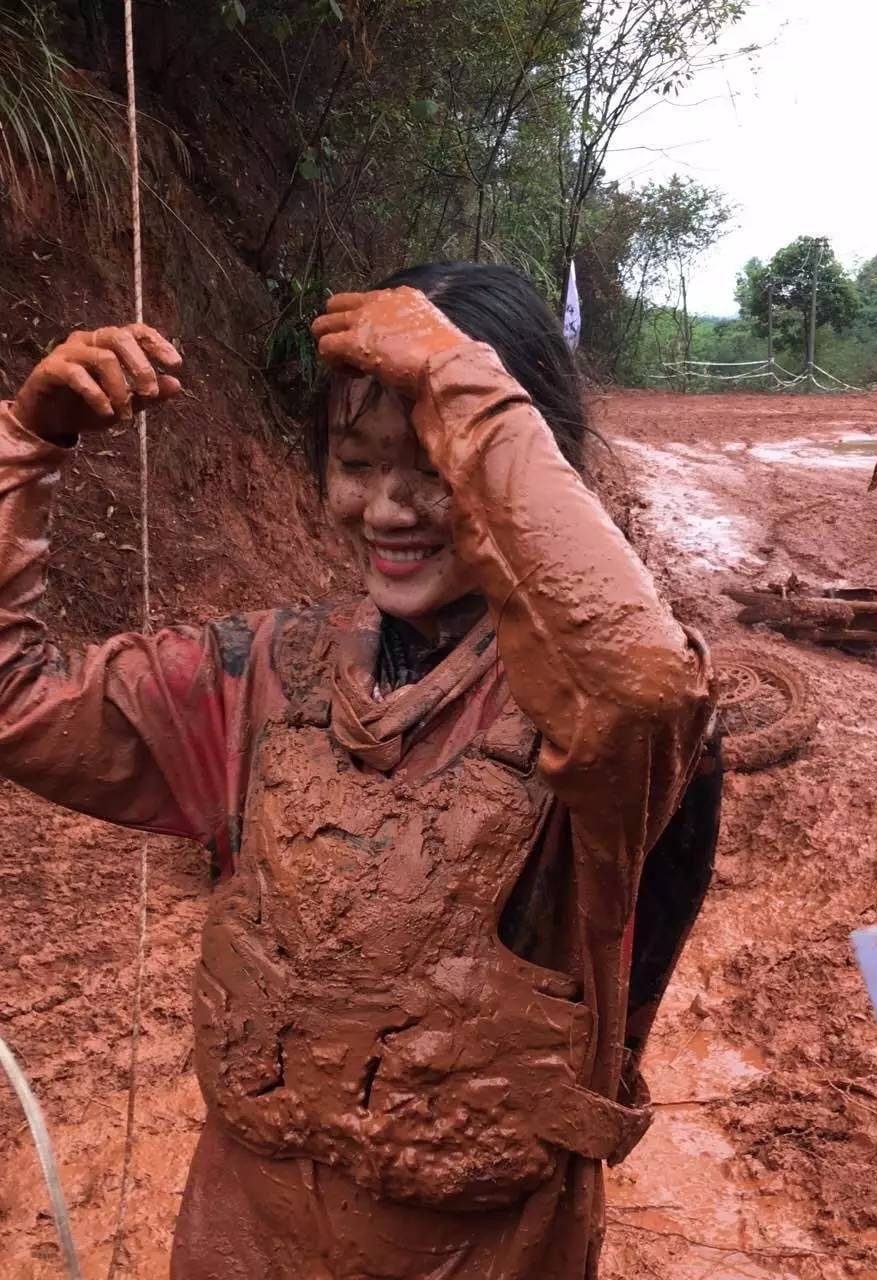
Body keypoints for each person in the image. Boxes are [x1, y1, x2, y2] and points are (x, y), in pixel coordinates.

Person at [0, 261, 717, 1280]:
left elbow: (643, 681)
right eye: (355, 460)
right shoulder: (261, 676)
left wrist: (463, 383)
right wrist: (28, 443)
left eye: (433, 464)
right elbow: (15, 695)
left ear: (523, 463)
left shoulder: (594, 732)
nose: (387, 507)